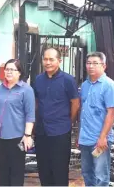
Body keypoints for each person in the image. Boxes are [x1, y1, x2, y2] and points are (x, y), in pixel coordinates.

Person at [33, 47, 80, 186]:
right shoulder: (38, 79)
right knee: (43, 170)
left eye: (51, 59)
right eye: (45, 59)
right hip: (41, 132)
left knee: (59, 170)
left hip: (60, 132)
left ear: (59, 61)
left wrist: (68, 122)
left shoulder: (68, 80)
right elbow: (35, 102)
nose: (48, 62)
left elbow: (75, 104)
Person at [0, 59, 35, 186]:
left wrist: (27, 135)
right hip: (0, 136)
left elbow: (30, 115)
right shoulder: (1, 88)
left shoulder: (26, 90)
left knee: (16, 172)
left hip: (17, 137)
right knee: (2, 171)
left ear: (19, 73)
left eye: (12, 70)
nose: (8, 72)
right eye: (6, 69)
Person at [78, 52, 114, 186]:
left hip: (99, 141)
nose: (91, 66)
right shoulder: (85, 85)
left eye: (95, 63)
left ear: (104, 66)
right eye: (88, 63)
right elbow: (83, 112)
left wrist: (103, 137)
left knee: (101, 176)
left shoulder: (109, 85)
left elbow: (111, 113)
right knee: (87, 173)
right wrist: (80, 136)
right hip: (85, 139)